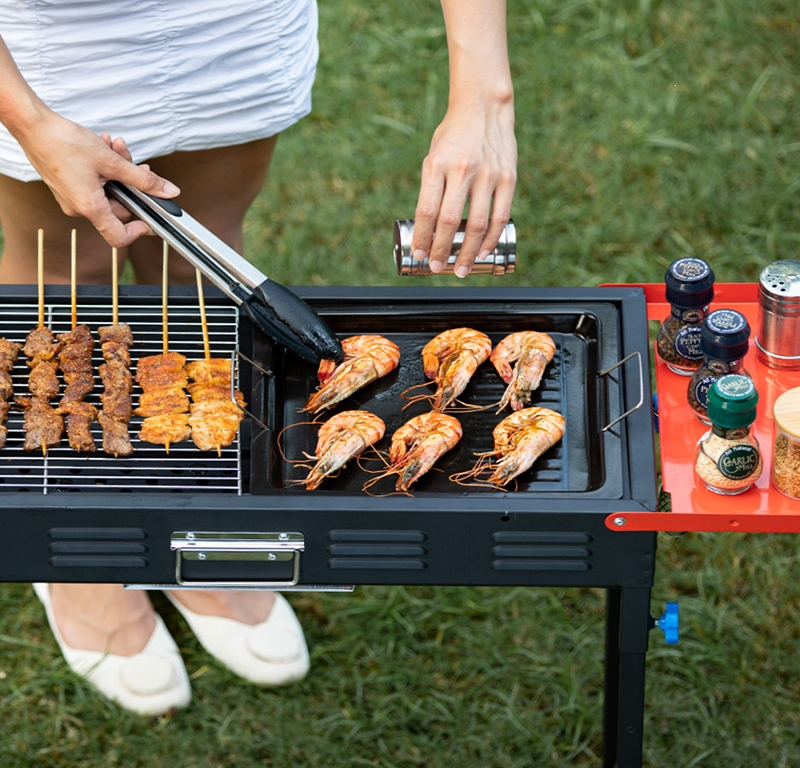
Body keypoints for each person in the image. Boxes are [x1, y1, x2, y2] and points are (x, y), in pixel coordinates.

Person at [0, 0, 517, 714]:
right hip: (59, 45)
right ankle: (78, 557)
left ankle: (196, 520)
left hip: (234, 27)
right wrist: (27, 118)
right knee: (70, 273)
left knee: (205, 256)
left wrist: (485, 97)